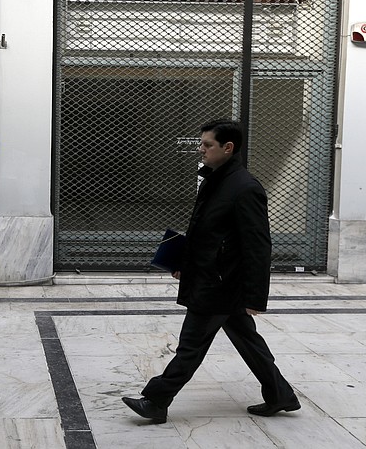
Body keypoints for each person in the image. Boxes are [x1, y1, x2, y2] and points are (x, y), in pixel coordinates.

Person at [122, 119, 299, 424]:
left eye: (207, 145)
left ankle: (156, 400)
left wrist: (256, 296)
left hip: (219, 284)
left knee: (190, 345)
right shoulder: (215, 180)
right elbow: (208, 234)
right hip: (211, 277)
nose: (201, 150)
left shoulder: (246, 188)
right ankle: (280, 394)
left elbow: (258, 246)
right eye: (201, 143)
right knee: (248, 341)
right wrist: (183, 265)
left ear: (228, 148)